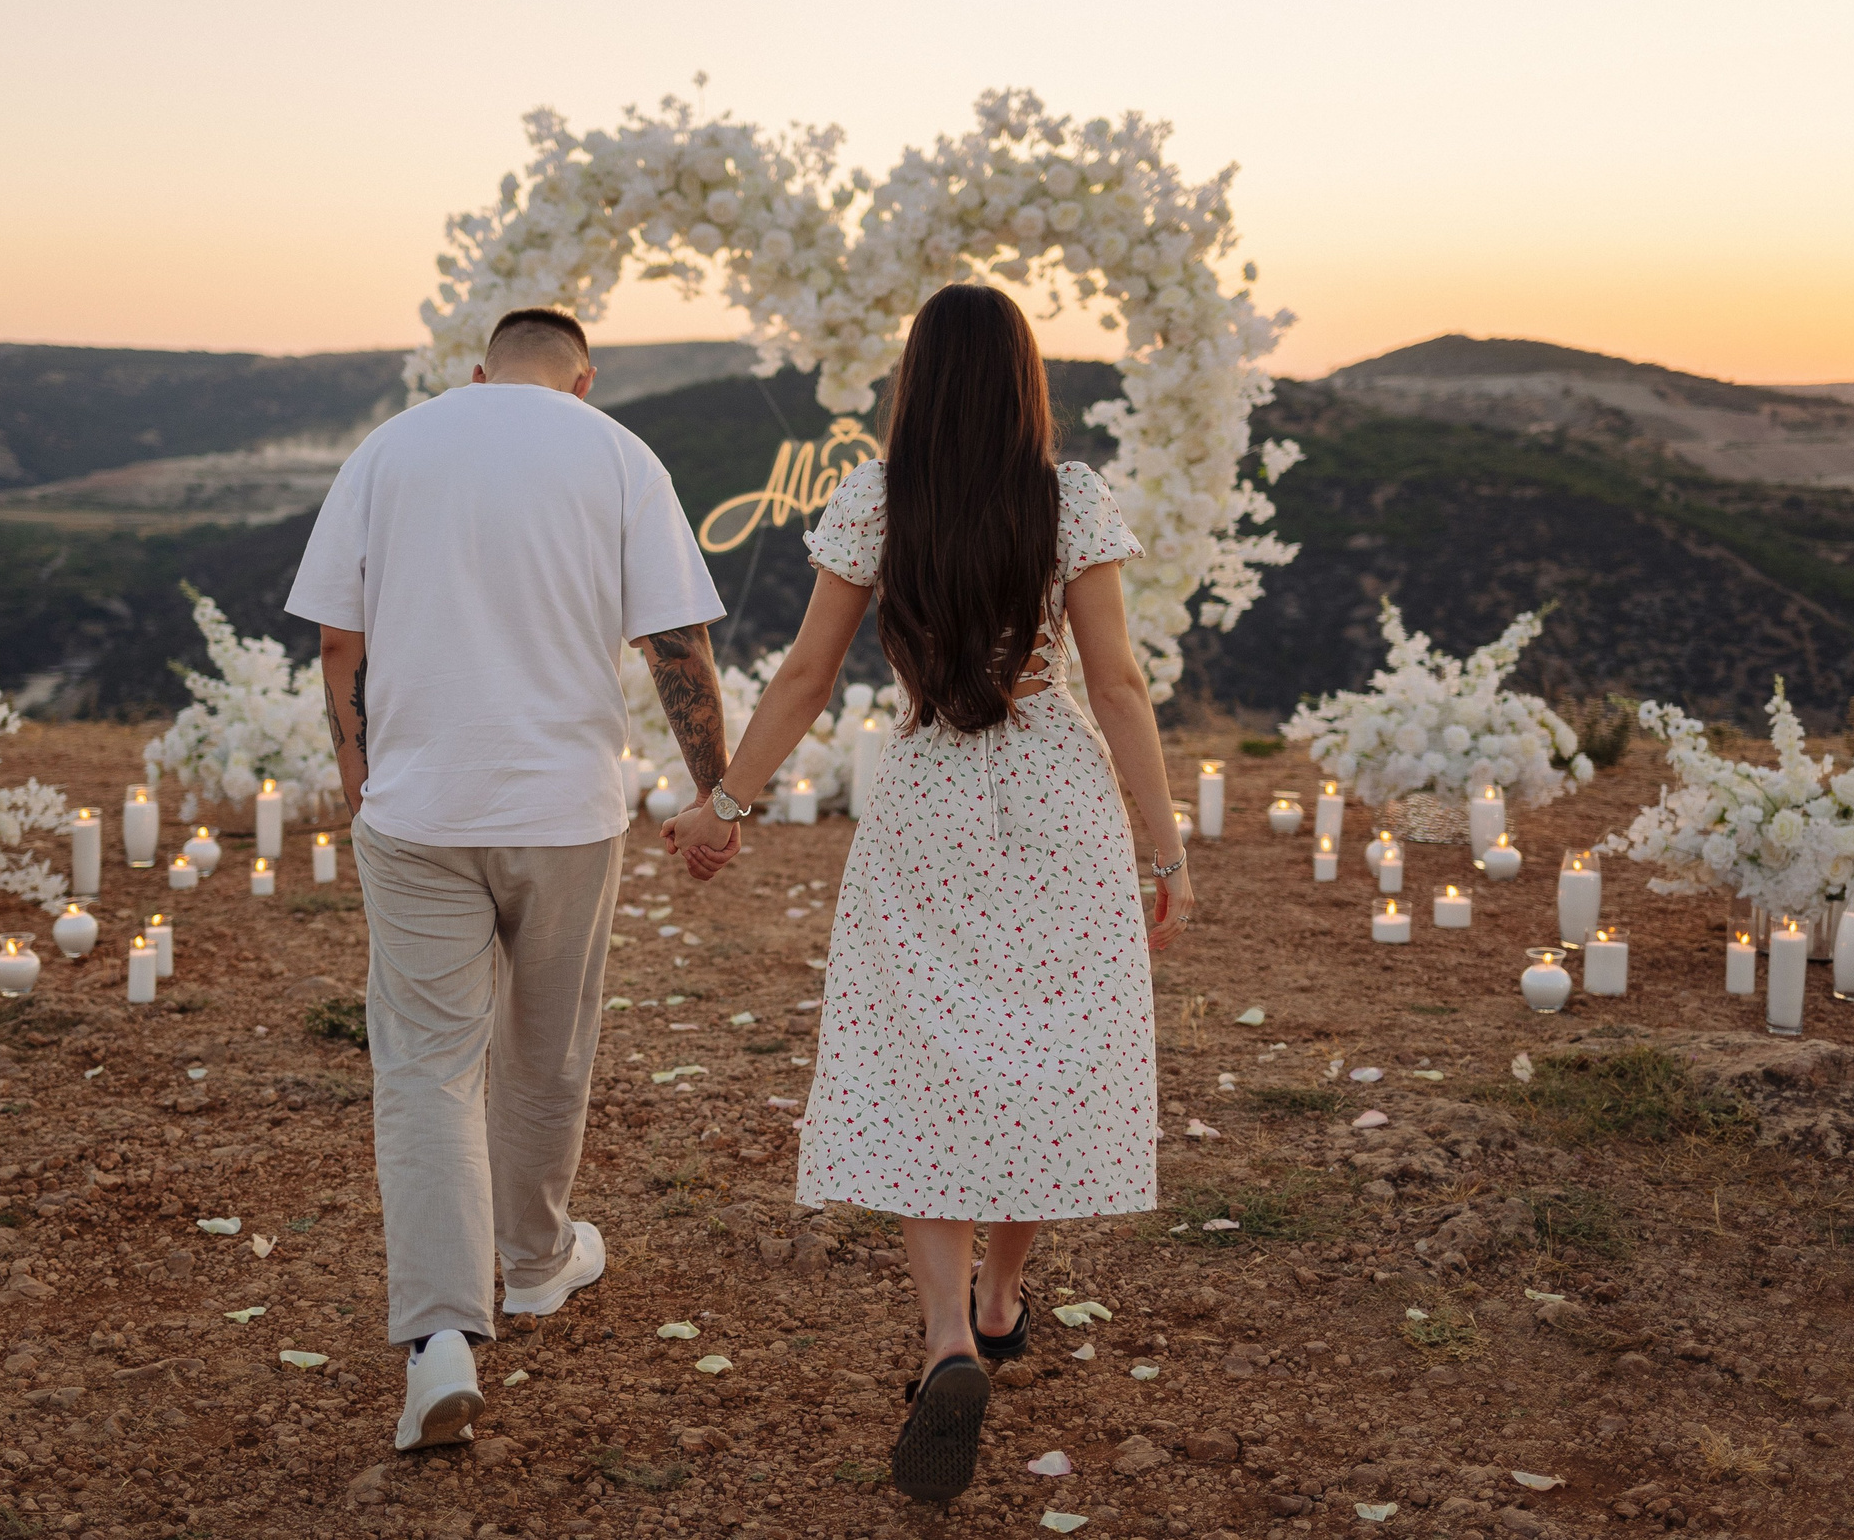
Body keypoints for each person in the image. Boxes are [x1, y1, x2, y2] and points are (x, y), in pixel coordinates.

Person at [667, 283, 1191, 1503]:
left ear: (916, 381)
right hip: (1056, 792)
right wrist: (1162, 846)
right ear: (1023, 379)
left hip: (927, 796)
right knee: (1042, 1047)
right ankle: (1002, 1302)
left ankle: (947, 1339)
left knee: (926, 1053)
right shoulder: (1072, 500)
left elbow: (804, 671)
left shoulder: (873, 499)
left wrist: (726, 807)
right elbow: (1115, 683)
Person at [286, 307, 740, 1451]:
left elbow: (340, 644)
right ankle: (536, 1266)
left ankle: (440, 1336)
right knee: (549, 1045)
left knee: (428, 1066)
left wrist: (360, 783)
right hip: (563, 811)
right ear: (580, 380)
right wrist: (714, 800)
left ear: (478, 372)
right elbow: (676, 646)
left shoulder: (391, 447)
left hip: (419, 808)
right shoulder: (618, 454)